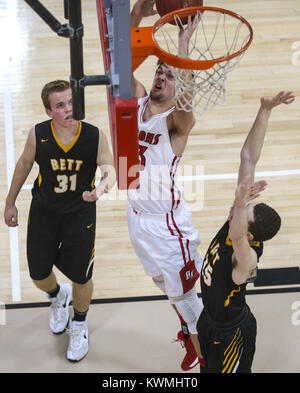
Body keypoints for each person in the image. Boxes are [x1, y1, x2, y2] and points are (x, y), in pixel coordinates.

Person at [4, 80, 116, 362]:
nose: (69, 109)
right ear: (48, 111)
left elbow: (110, 169)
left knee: (81, 276)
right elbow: (24, 164)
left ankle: (79, 323)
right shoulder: (39, 134)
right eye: (60, 105)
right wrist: (9, 201)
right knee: (38, 275)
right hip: (44, 212)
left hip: (80, 215)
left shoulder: (94, 135)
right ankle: (57, 295)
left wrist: (102, 188)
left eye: (71, 102)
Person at [129, 0, 204, 371]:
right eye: (160, 70)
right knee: (166, 287)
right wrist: (136, 16)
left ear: (178, 90)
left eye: (169, 75)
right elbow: (118, 62)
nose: (161, 76)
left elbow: (188, 99)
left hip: (167, 225)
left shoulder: (176, 125)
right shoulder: (135, 101)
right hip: (137, 217)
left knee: (190, 302)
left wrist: (184, 48)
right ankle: (188, 335)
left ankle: (210, 358)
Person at [197, 91, 295, 373]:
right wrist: (265, 111)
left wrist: (240, 202)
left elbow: (238, 235)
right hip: (211, 320)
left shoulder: (246, 258)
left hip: (231, 337)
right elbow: (248, 158)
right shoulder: (239, 220)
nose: (236, 212)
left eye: (242, 213)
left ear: (251, 236)